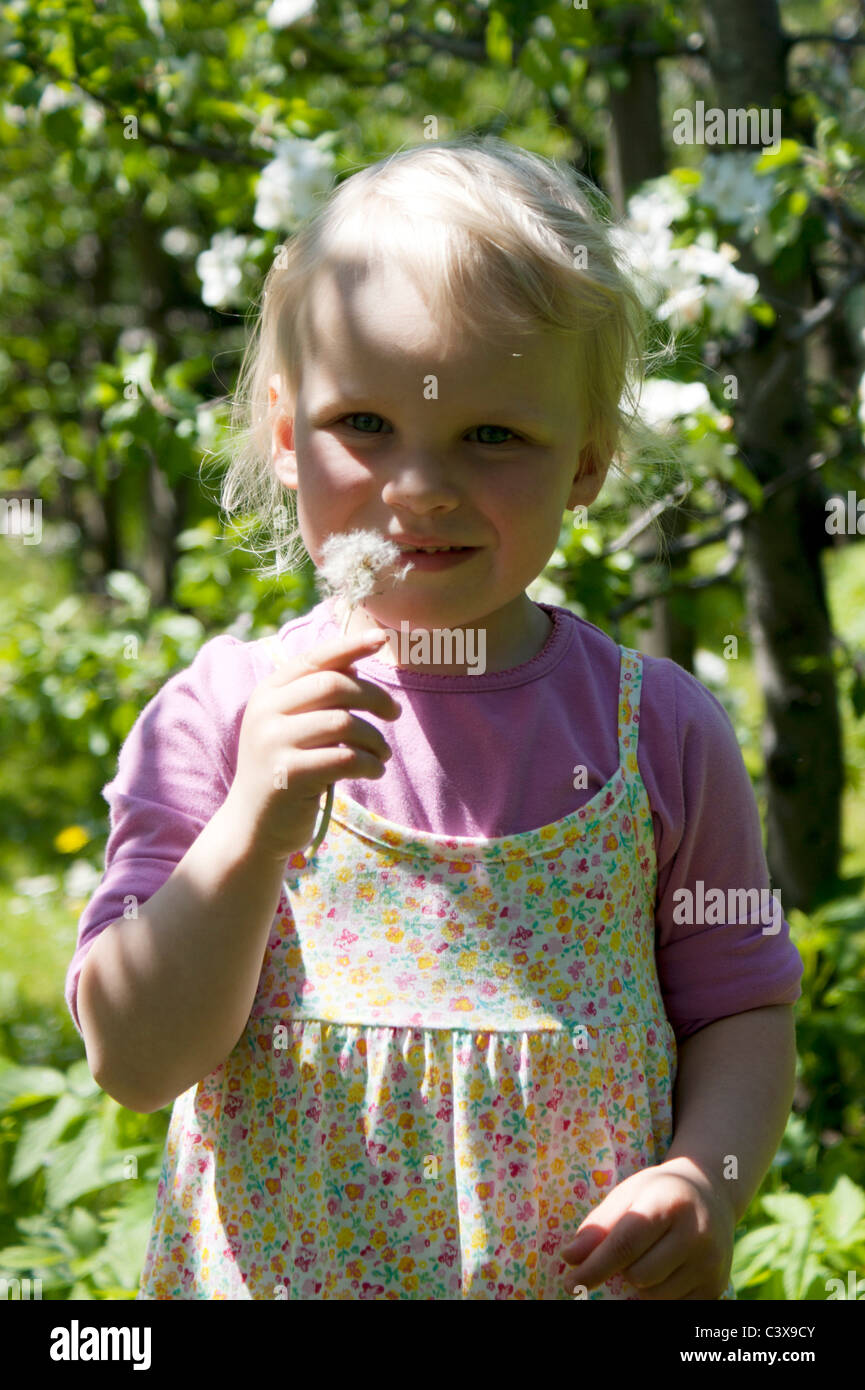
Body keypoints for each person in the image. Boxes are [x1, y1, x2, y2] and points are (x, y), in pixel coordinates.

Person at [66, 134, 802, 1300]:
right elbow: (137, 1058)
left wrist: (702, 1176)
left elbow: (743, 1007)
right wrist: (253, 826)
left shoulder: (655, 730)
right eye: (364, 423)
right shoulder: (219, 716)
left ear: (586, 465)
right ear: (280, 427)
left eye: (493, 436)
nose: (421, 487)